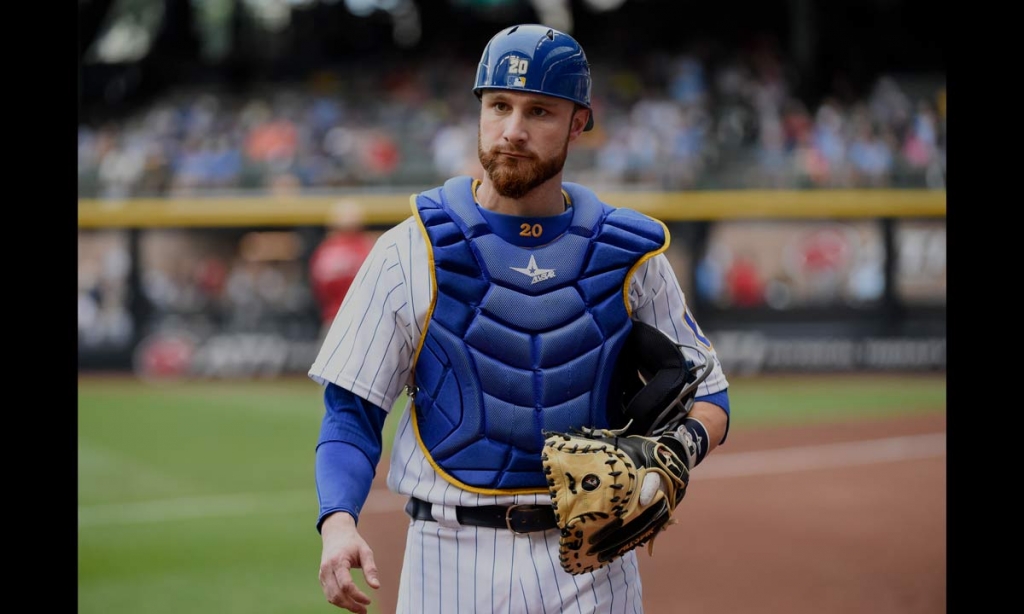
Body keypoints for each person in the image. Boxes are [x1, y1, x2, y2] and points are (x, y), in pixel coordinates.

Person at [308, 24, 732, 614]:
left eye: (539, 111)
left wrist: (678, 450)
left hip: (594, 567)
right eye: (499, 106)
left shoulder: (630, 255)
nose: (512, 130)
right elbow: (351, 411)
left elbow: (710, 396)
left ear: (579, 122)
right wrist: (338, 521)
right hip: (448, 557)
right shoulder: (412, 249)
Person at [307, 200, 376, 334]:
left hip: (333, 321)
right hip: (364, 320)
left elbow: (316, 290)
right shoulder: (368, 247)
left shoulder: (324, 250)